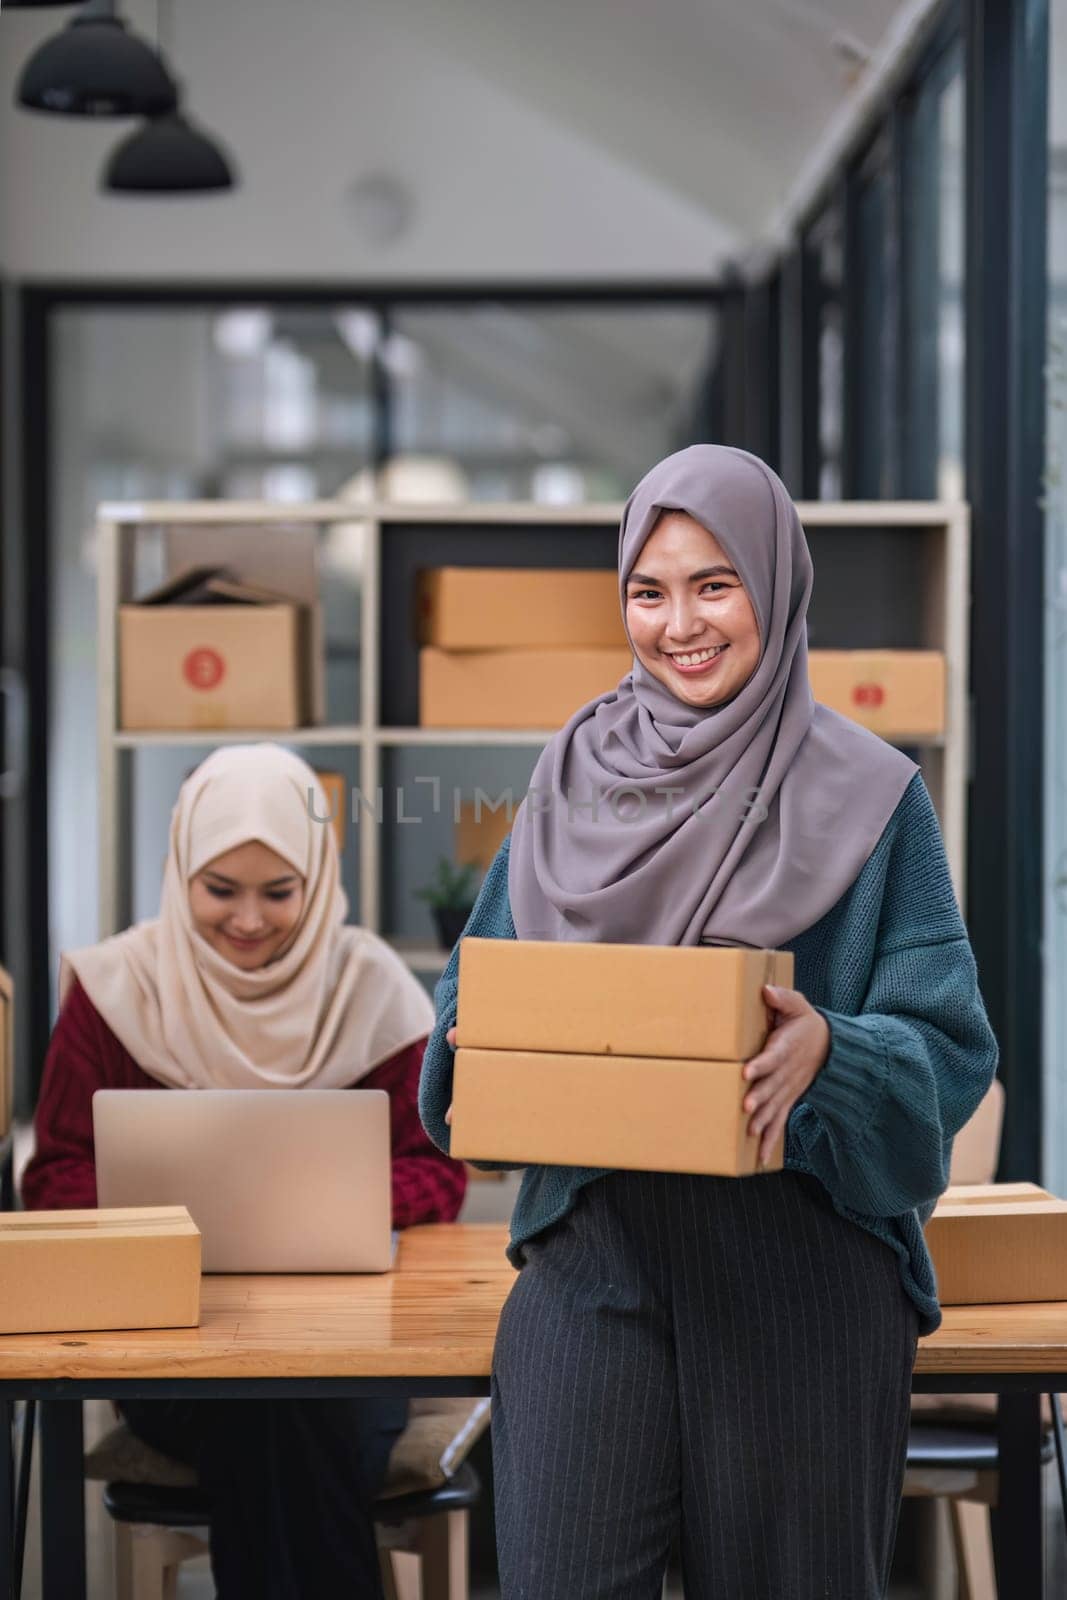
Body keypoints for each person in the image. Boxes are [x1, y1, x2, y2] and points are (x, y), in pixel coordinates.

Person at [419, 444, 998, 1600]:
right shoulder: (570, 777)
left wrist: (830, 1050)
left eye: (713, 583)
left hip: (803, 1270)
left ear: (776, 588)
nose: (678, 622)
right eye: (648, 589)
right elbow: (460, 1038)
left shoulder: (874, 795)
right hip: (594, 1259)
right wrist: (508, 1044)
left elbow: (946, 1049)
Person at [23, 743, 467, 1600]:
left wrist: (322, 1208)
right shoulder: (118, 988)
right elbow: (55, 1179)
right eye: (220, 890)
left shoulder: (369, 986)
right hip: (173, 1344)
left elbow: (436, 1168)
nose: (251, 921)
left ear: (320, 878)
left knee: (289, 1400)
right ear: (177, 870)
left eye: (280, 891)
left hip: (348, 1347)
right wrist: (173, 1229)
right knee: (269, 1407)